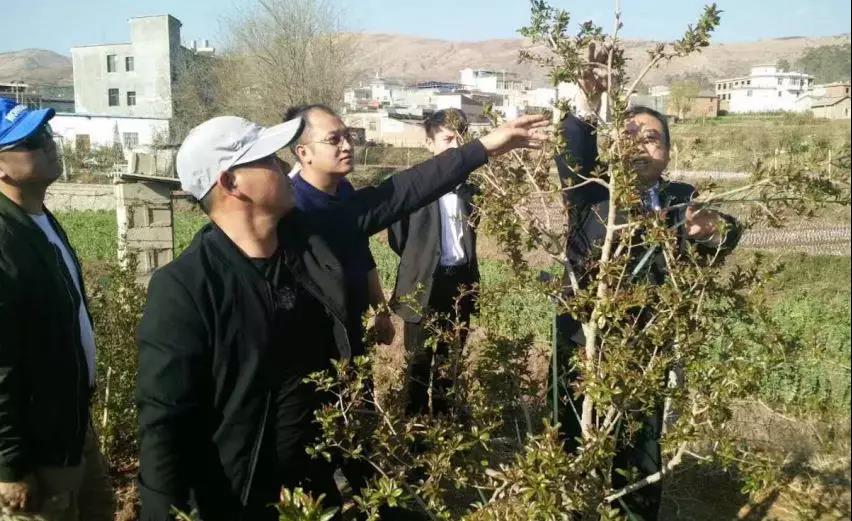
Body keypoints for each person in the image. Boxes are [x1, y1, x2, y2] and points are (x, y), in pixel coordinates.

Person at [136, 113, 547, 520]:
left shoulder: (309, 238)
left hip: (318, 480)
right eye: (268, 160)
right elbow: (164, 426)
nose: (283, 166)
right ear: (230, 183)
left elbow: (400, 191)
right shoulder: (186, 288)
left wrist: (484, 147)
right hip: (243, 499)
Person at [554, 80, 741, 519]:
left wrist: (713, 228)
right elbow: (573, 148)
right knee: (572, 438)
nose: (640, 143)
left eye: (652, 137)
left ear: (667, 154)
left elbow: (729, 232)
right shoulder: (592, 189)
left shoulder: (681, 198)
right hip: (583, 340)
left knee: (639, 448)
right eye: (629, 135)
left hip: (647, 345)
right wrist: (588, 100)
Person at [0, 98, 115, 520]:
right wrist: (9, 465)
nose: (48, 144)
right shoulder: (4, 240)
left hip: (70, 426)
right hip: (34, 449)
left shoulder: (40, 220)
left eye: (46, 133)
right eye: (30, 141)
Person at [387, 109, 480, 416]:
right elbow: (398, 239)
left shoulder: (471, 190)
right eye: (448, 139)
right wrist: (422, 258)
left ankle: (444, 424)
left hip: (460, 284)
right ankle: (414, 428)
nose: (456, 146)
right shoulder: (412, 189)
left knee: (450, 361)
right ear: (429, 144)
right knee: (418, 361)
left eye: (461, 139)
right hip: (423, 283)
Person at [283, 104, 394, 355]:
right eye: (334, 140)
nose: (347, 146)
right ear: (304, 152)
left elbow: (362, 253)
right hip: (318, 342)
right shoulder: (293, 207)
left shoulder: (344, 190)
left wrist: (380, 310)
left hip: (356, 328)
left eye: (347, 136)